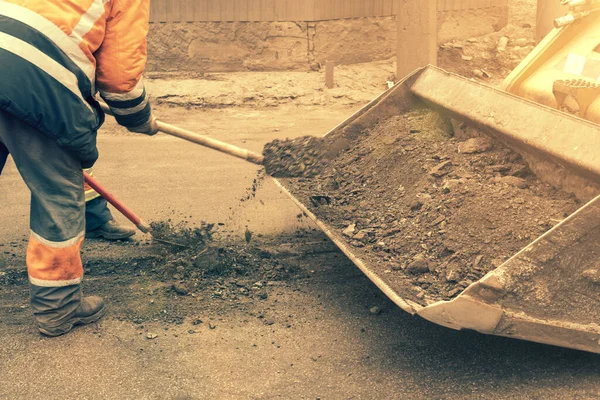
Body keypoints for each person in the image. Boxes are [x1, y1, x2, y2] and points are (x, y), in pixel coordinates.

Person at [0, 0, 158, 336]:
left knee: (61, 151)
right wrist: (139, 117)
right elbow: (118, 78)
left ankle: (96, 216)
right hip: (31, 76)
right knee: (58, 190)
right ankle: (58, 307)